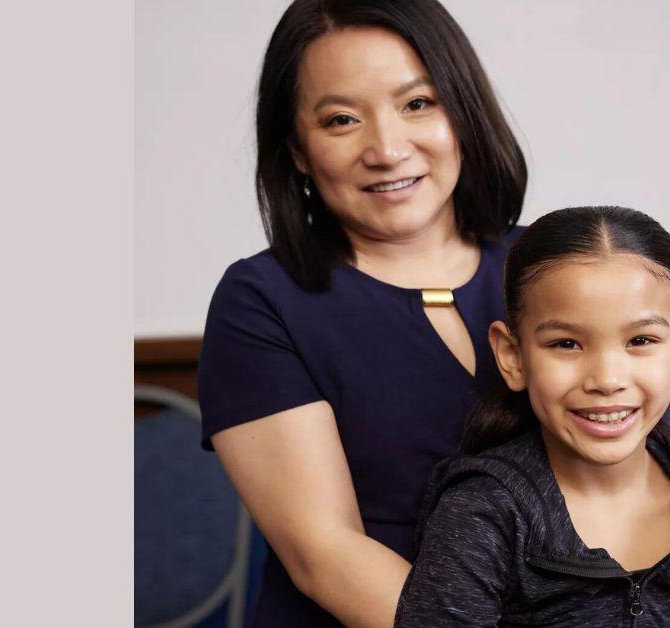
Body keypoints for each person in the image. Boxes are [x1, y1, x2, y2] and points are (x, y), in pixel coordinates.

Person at [196, 0, 527, 626]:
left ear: (462, 112)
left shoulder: (554, 268)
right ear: (297, 148)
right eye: (342, 119)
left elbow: (642, 490)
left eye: (417, 104)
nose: (386, 148)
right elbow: (325, 555)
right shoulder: (260, 301)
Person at [396, 207, 670, 626]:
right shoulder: (483, 514)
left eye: (641, 340)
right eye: (567, 344)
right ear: (512, 356)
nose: (607, 380)